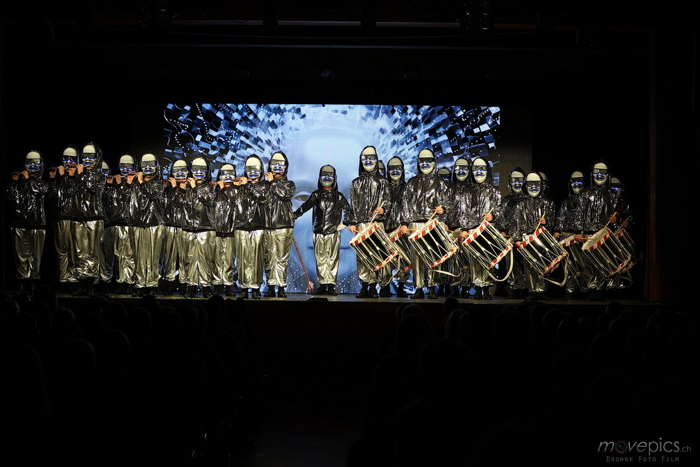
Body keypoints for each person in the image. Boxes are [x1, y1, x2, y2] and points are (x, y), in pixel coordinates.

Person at [398, 148, 451, 299]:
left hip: (433, 223)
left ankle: (433, 287)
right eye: (422, 161)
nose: (425, 164)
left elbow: (449, 201)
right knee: (417, 258)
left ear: (434, 162)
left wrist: (444, 209)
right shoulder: (412, 182)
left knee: (434, 255)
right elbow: (405, 203)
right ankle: (419, 287)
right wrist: (404, 222)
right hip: (415, 224)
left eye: (428, 161)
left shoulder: (440, 182)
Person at [294, 165, 351, 296]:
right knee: (320, 259)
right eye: (324, 175)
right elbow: (304, 207)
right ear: (320, 178)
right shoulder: (316, 195)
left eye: (330, 176)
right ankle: (322, 284)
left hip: (333, 232)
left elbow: (348, 210)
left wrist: (345, 223)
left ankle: (330, 285)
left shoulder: (338, 196)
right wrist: (293, 216)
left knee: (332, 259)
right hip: (318, 231)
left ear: (334, 178)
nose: (327, 178)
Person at [346, 145, 391, 298]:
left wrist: (383, 210)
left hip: (376, 224)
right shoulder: (356, 183)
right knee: (362, 255)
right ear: (361, 161)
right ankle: (364, 286)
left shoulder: (383, 182)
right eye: (365, 158)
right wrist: (352, 222)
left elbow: (388, 201)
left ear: (376, 160)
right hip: (361, 224)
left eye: (371, 158)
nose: (368, 161)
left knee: (377, 253)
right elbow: (352, 204)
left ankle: (373, 286)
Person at [456, 156, 502, 300]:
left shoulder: (494, 191)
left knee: (488, 259)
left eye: (482, 169)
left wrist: (493, 216)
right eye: (476, 169)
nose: (479, 172)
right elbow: (463, 211)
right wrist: (464, 228)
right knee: (474, 260)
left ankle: (487, 289)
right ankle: (477, 288)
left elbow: (499, 209)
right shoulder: (467, 191)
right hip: (472, 230)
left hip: (488, 230)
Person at [5, 150, 49, 294]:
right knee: (21, 255)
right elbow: (9, 196)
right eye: (30, 162)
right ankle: (22, 281)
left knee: (35, 256)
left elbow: (39, 190)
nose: (32, 166)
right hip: (19, 224)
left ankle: (33, 282)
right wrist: (14, 181)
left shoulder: (42, 183)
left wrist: (28, 179)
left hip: (37, 224)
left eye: (36, 163)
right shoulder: (19, 182)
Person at [574, 160, 619, 300]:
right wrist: (578, 232)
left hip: (604, 234)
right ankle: (592, 289)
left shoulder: (612, 194)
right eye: (596, 172)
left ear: (607, 174)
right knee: (589, 264)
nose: (599, 175)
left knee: (605, 261)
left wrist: (615, 220)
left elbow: (617, 213)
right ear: (592, 174)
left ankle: (604, 289)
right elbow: (580, 213)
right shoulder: (586, 193)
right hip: (588, 234)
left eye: (602, 172)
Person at [511, 171, 557, 302]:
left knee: (543, 263)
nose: (533, 187)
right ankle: (532, 290)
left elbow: (553, 220)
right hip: (527, 239)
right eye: (530, 184)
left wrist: (546, 222)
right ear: (526, 185)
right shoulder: (520, 205)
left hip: (543, 238)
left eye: (536, 184)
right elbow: (516, 223)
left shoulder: (548, 203)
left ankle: (542, 289)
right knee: (530, 266)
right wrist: (517, 239)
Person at [70, 142, 107, 296]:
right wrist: (75, 176)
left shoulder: (100, 176)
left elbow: (92, 187)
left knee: (92, 251)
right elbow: (70, 192)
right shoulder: (77, 176)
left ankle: (91, 284)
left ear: (97, 158)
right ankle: (81, 282)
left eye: (91, 157)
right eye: (85, 157)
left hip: (94, 217)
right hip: (78, 217)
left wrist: (80, 175)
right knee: (79, 252)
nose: (87, 160)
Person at [233, 154, 269, 299]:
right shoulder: (239, 186)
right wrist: (236, 188)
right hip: (241, 226)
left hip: (258, 226)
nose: (253, 172)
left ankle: (255, 288)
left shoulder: (265, 186)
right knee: (242, 260)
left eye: (256, 169)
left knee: (257, 259)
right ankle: (243, 287)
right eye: (250, 169)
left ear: (261, 170)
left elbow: (261, 198)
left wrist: (247, 186)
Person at [47, 144, 80, 293]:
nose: (68, 162)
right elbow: (50, 196)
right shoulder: (58, 176)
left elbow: (71, 192)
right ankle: (63, 279)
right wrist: (53, 178)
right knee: (61, 251)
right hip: (59, 217)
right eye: (66, 159)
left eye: (71, 159)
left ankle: (73, 280)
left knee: (73, 251)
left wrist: (69, 176)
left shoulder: (78, 176)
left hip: (74, 217)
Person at [131, 153, 165, 296]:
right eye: (145, 165)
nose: (148, 168)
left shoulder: (159, 182)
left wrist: (141, 182)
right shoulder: (134, 183)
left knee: (153, 257)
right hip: (138, 223)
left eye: (151, 164)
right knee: (139, 256)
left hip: (154, 223)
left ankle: (152, 284)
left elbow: (152, 194)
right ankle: (140, 284)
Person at [103, 154, 137, 295]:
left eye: (128, 166)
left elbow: (132, 200)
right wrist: (112, 185)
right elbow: (108, 201)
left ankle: (129, 282)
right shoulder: (114, 182)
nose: (125, 169)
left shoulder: (135, 182)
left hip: (130, 223)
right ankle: (120, 281)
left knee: (129, 255)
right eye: (123, 166)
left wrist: (127, 184)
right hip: (115, 223)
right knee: (117, 255)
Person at [263, 151, 296, 298]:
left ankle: (281, 286)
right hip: (267, 225)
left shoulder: (289, 184)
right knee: (269, 257)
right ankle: (271, 286)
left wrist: (272, 182)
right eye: (274, 164)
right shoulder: (264, 185)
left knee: (282, 257)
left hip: (283, 225)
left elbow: (284, 194)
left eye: (280, 164)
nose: (277, 167)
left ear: (286, 168)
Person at [553, 170, 587, 299]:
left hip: (584, 238)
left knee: (585, 264)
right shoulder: (566, 202)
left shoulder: (588, 201)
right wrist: (557, 230)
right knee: (570, 265)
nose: (576, 184)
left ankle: (586, 289)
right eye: (574, 182)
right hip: (569, 239)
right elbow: (561, 218)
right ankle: (571, 290)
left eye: (579, 181)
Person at [445, 156, 473, 298]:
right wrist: (445, 223)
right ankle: (454, 286)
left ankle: (466, 287)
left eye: (464, 168)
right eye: (458, 168)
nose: (461, 171)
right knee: (454, 260)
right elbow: (446, 207)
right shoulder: (450, 189)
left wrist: (467, 228)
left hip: (468, 231)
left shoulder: (473, 189)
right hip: (453, 230)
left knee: (467, 259)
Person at [496, 167, 527, 299]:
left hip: (525, 238)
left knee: (525, 263)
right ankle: (513, 288)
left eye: (519, 180)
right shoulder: (506, 200)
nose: (517, 183)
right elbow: (500, 217)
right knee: (511, 264)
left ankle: (525, 288)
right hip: (509, 239)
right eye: (514, 180)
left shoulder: (528, 200)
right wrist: (503, 231)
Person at [162, 159, 190, 295]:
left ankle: (184, 284)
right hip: (170, 226)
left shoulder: (190, 188)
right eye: (176, 171)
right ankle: (169, 283)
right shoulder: (167, 188)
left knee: (185, 257)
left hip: (184, 226)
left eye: (183, 170)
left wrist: (177, 188)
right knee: (169, 257)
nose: (180, 174)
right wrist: (171, 187)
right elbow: (166, 205)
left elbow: (184, 204)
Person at [383, 156, 410, 297]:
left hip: (401, 228)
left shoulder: (407, 188)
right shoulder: (383, 187)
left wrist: (405, 223)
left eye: (398, 168)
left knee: (403, 258)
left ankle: (401, 286)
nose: (395, 171)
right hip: (385, 228)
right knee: (385, 259)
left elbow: (410, 207)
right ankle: (385, 286)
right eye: (392, 168)